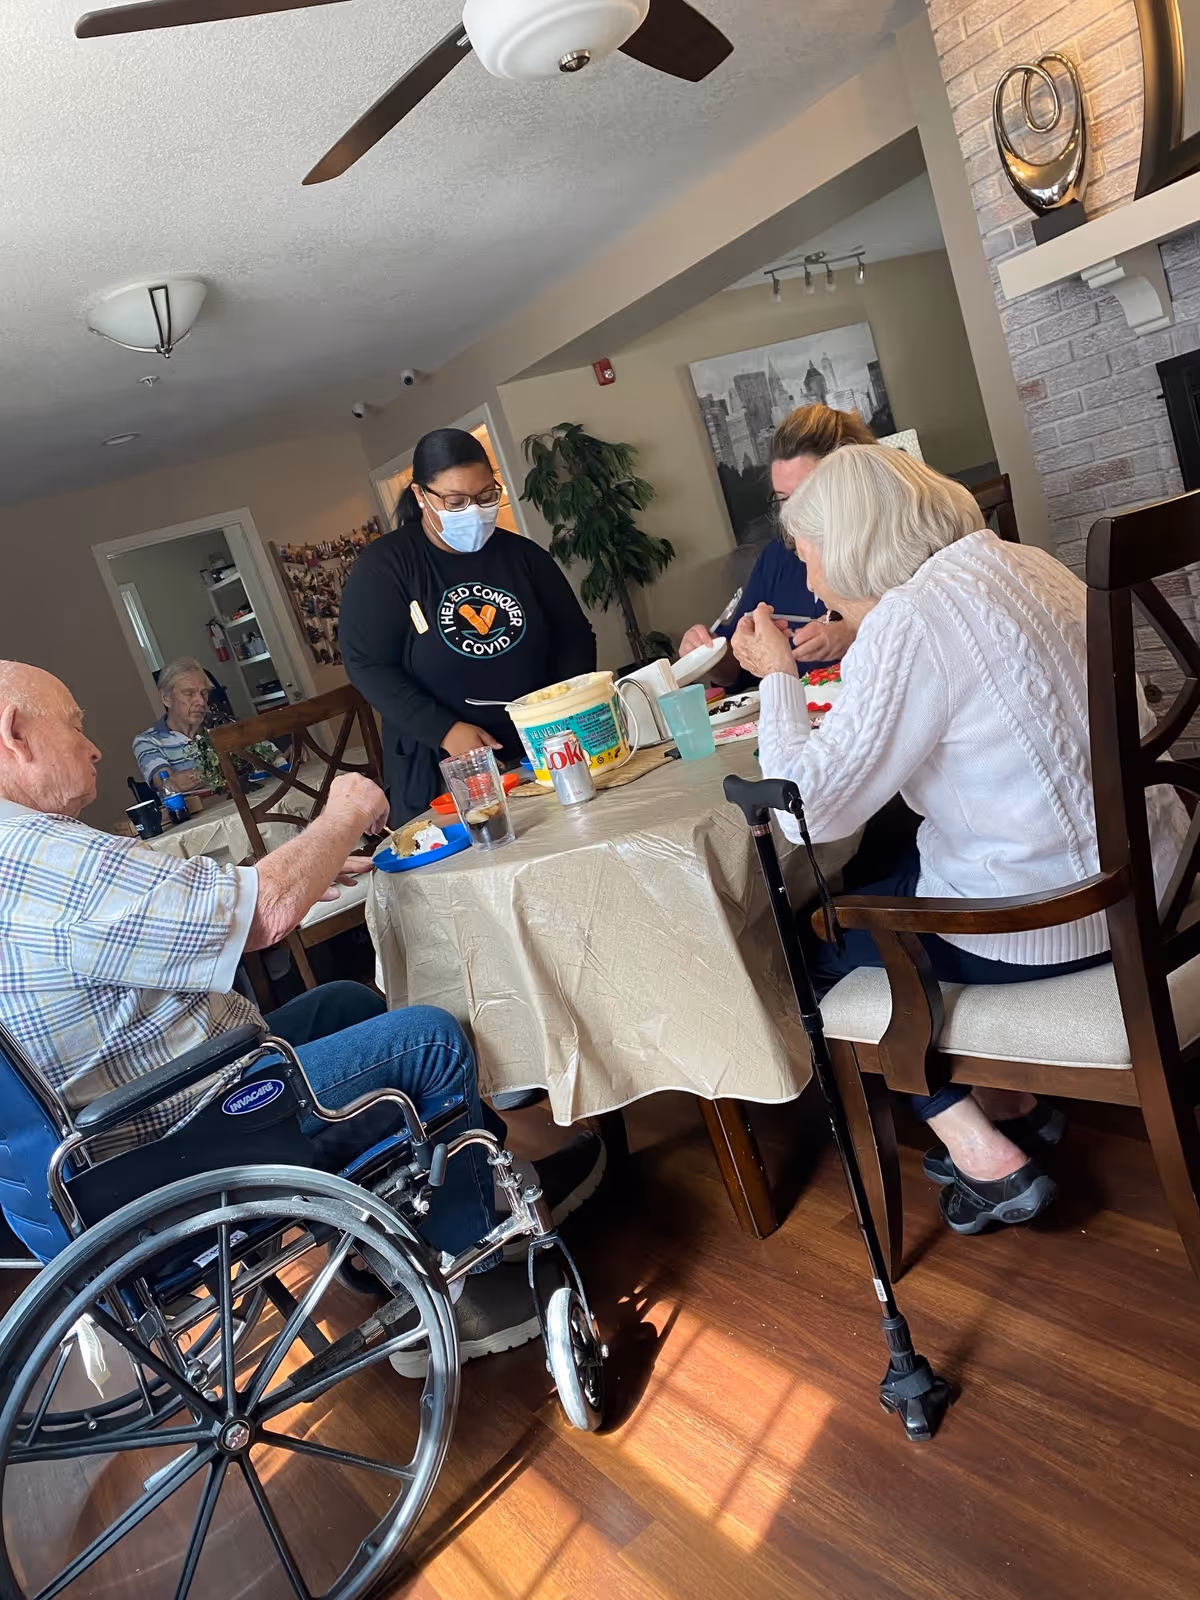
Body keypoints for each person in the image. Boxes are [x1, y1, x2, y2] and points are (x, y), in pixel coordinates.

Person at [0, 661, 602, 1367]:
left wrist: (295, 871)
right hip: (187, 1143)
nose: (94, 745)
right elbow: (263, 915)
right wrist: (342, 814)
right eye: (74, 724)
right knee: (432, 1040)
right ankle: (465, 1274)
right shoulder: (42, 854)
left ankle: (417, 1215)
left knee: (346, 1003)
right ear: (15, 735)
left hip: (111, 1151)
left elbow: (147, 938)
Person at [732, 446, 1188, 1234]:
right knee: (890, 867)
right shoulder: (1025, 560)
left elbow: (808, 813)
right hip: (1163, 875)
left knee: (808, 938)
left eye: (808, 558)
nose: (809, 583)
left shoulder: (914, 618)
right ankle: (1012, 1098)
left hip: (1061, 918)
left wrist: (777, 677)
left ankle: (980, 1147)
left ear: (847, 542)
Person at [340, 428, 598, 823]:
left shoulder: (524, 557)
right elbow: (367, 666)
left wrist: (559, 711)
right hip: (441, 768)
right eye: (456, 501)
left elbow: (574, 637)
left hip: (542, 751)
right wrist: (444, 730)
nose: (474, 511)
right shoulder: (386, 566)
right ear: (421, 496)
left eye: (485, 497)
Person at [677, 404, 873, 689]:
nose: (795, 516)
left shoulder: (896, 549)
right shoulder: (776, 558)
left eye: (808, 496)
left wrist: (855, 631)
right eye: (784, 499)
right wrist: (710, 656)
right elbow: (733, 672)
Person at [132, 656, 213, 791]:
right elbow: (170, 783)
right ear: (166, 699)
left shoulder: (218, 727)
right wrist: (222, 769)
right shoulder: (147, 741)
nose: (201, 701)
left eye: (204, 693)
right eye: (189, 693)